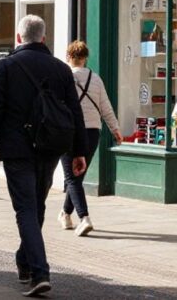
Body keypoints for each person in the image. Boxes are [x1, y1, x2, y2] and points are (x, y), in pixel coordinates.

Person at [0, 15, 87, 297]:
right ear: (43, 38)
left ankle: (39, 272)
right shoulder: (61, 70)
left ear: (19, 38)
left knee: (27, 208)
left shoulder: (6, 67)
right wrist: (79, 151)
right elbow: (75, 113)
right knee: (36, 205)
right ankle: (24, 260)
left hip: (17, 148)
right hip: (51, 147)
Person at [58, 40, 122, 237]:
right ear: (86, 58)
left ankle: (84, 217)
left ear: (69, 57)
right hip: (92, 132)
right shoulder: (96, 79)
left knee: (72, 177)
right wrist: (116, 129)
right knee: (78, 175)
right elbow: (106, 107)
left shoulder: (64, 77)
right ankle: (65, 214)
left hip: (69, 130)